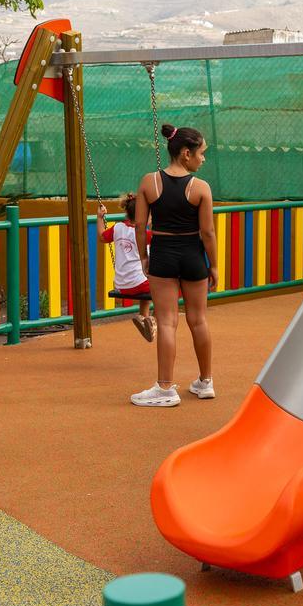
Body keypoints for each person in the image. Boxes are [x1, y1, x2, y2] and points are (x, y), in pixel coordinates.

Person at [128, 124, 219, 407]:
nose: (203, 159)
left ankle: (165, 388)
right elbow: (208, 233)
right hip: (193, 256)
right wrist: (213, 265)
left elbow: (141, 225)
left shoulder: (148, 182)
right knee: (198, 320)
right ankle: (205, 382)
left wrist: (144, 256)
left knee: (167, 321)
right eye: (201, 153)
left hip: (164, 255)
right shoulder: (201, 188)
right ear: (185, 153)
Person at [97, 195, 155, 342]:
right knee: (168, 288)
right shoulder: (144, 234)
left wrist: (99, 217)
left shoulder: (117, 227)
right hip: (139, 284)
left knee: (148, 289)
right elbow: (161, 240)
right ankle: (154, 322)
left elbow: (102, 237)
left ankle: (143, 319)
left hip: (121, 285)